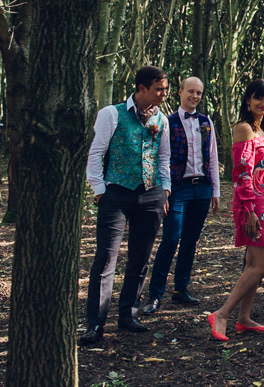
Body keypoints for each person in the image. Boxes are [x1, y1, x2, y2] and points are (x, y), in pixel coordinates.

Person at [81, 66, 172, 345]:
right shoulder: (112, 113)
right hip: (116, 195)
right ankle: (95, 324)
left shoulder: (162, 120)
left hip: (151, 195)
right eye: (159, 89)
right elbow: (95, 153)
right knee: (106, 260)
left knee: (140, 259)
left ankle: (128, 314)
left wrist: (165, 191)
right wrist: (99, 191)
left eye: (165, 89)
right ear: (142, 88)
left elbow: (163, 157)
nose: (163, 94)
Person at [208, 79, 264, 341]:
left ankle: (244, 318)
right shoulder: (244, 129)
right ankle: (223, 314)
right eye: (258, 98)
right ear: (247, 100)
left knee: (253, 263)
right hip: (254, 204)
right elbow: (241, 173)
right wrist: (249, 209)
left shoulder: (261, 129)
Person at [143, 76, 220, 315]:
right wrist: (163, 193)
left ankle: (181, 289)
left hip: (202, 187)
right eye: (191, 92)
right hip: (177, 188)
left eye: (199, 92)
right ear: (180, 92)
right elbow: (159, 159)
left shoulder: (206, 122)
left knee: (190, 240)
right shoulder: (167, 122)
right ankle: (154, 295)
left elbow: (213, 157)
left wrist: (215, 190)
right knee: (170, 239)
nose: (195, 96)